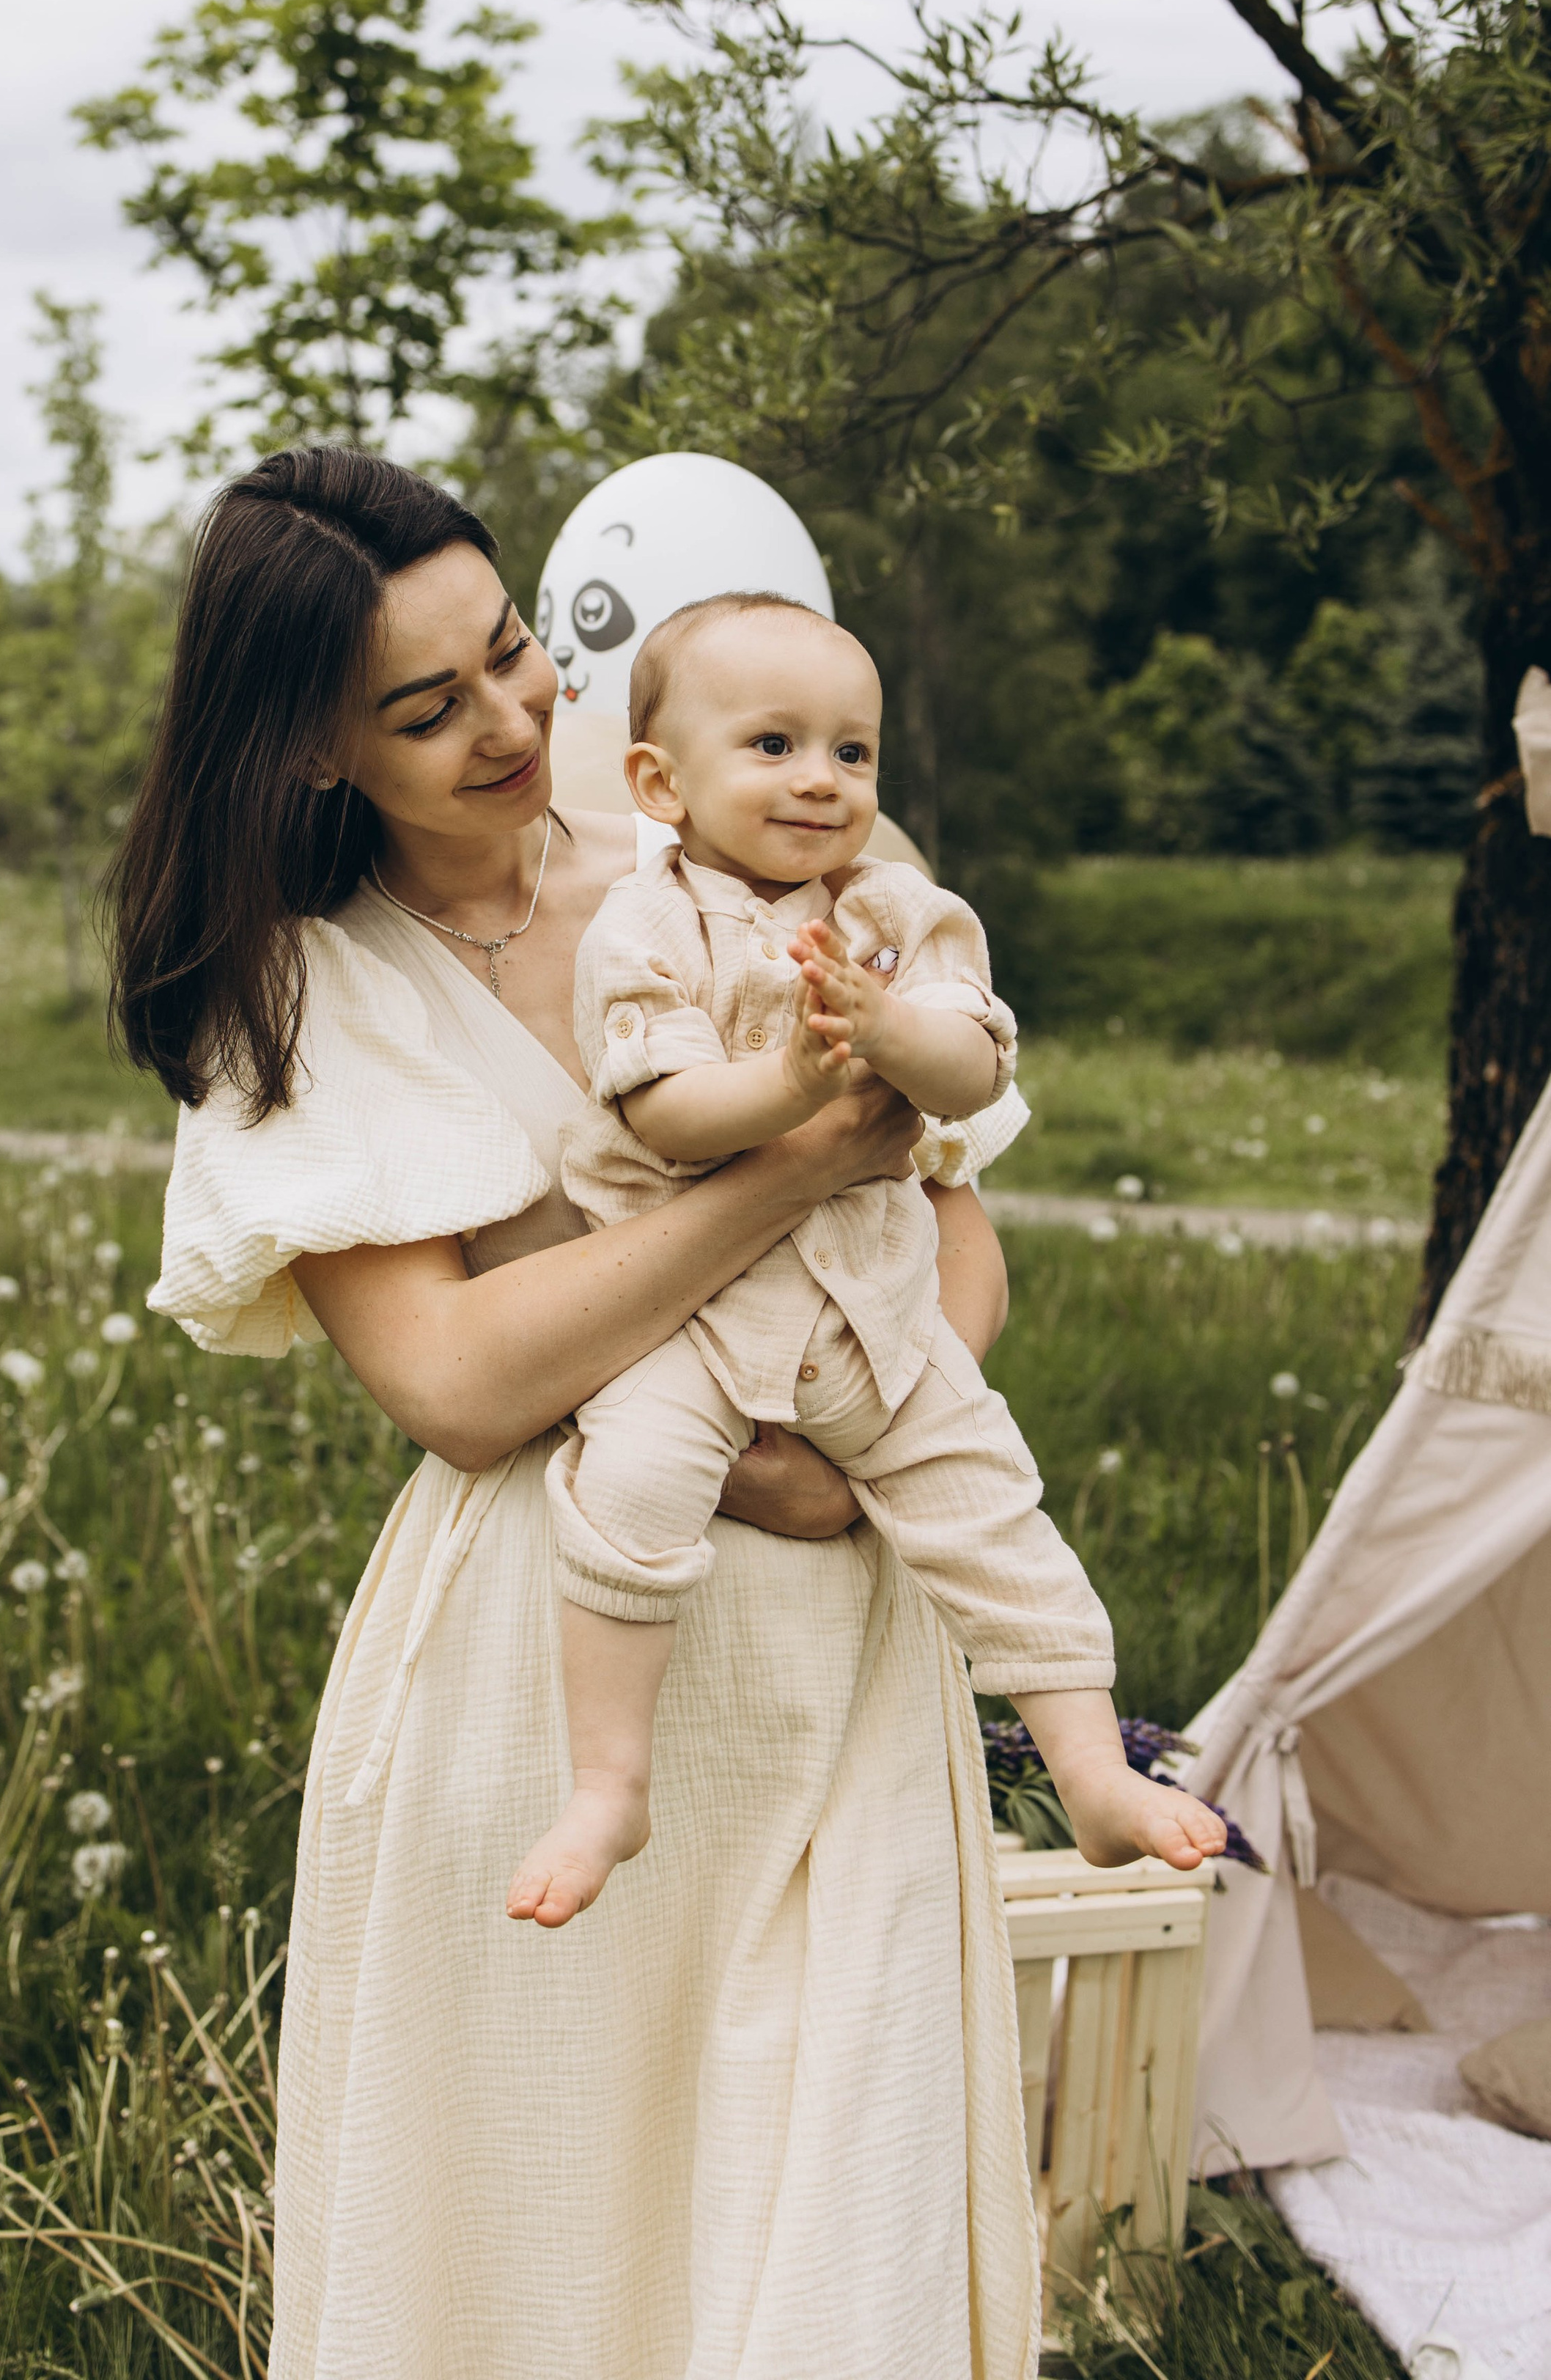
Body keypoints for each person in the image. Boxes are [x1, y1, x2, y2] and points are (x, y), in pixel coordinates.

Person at [121, 447, 1213, 2380]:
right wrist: (782, 1182)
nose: (517, 718)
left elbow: (957, 1239)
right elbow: (459, 1384)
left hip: (840, 1652)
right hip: (547, 1669)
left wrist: (864, 1460)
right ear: (309, 751)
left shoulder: (732, 832)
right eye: (427, 705)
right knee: (549, 2243)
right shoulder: (298, 994)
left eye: (518, 653)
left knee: (837, 2225)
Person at [513, 591, 1222, 1927]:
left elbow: (966, 1075)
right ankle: (609, 1782)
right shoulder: (643, 930)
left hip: (874, 1314)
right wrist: (791, 1077)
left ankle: (1090, 1771)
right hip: (698, 1323)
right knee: (633, 1482)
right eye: (773, 745)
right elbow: (664, 1114)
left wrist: (891, 1027)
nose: (821, 781)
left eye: (852, 753)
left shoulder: (902, 915)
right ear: (662, 782)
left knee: (992, 1502)